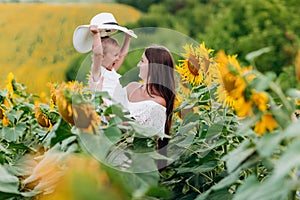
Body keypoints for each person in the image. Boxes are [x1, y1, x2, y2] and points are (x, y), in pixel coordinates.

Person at [90, 44, 176, 171]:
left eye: (142, 61)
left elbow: (125, 129)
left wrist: (98, 94)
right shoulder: (132, 87)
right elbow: (110, 110)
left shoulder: (157, 105)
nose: (138, 65)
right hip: (109, 156)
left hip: (129, 166)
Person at [88, 24, 133, 106]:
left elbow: (123, 55)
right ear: (103, 56)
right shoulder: (98, 71)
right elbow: (97, 54)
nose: (118, 58)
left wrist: (128, 38)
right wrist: (96, 34)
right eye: (115, 55)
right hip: (102, 110)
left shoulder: (111, 70)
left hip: (114, 109)